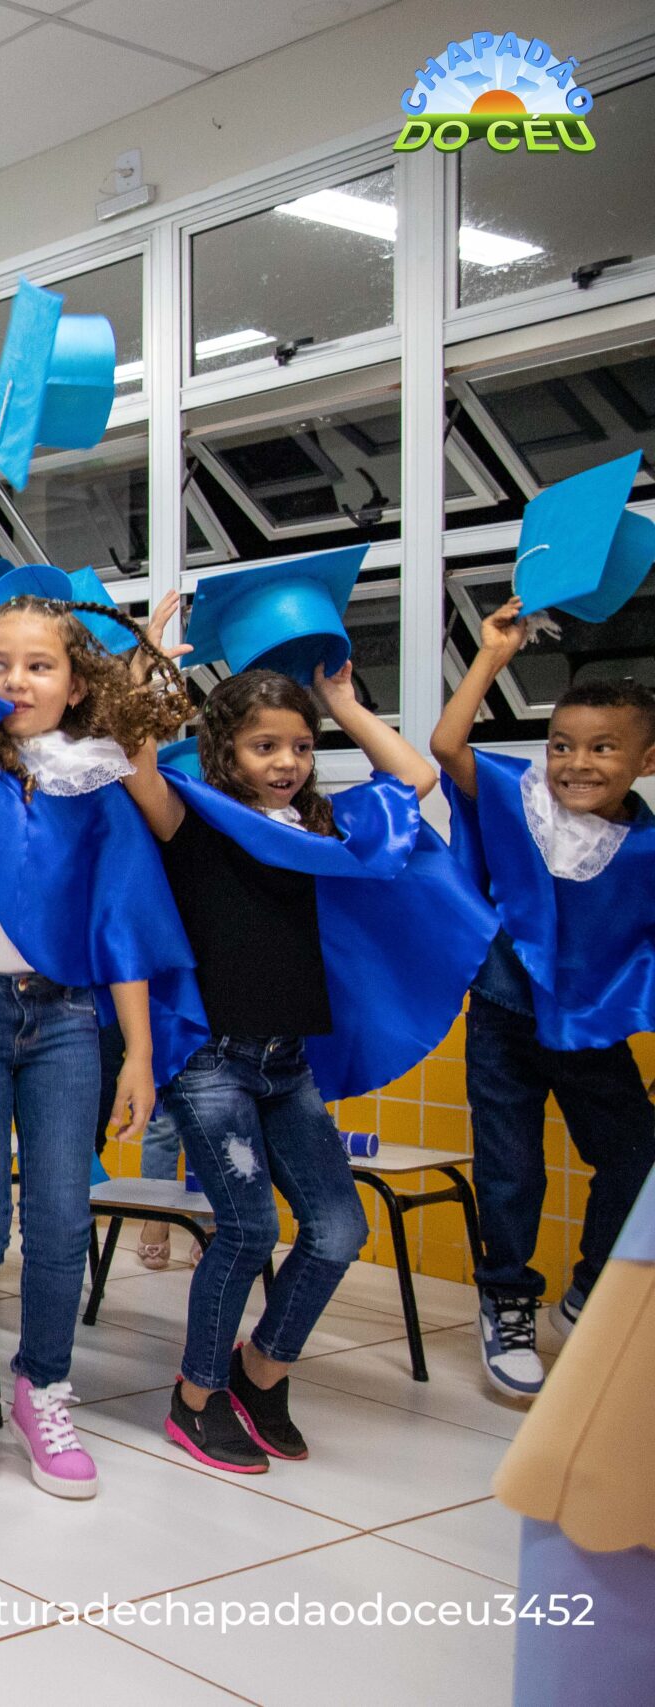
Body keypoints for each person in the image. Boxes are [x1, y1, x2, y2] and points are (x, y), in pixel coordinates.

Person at [0, 425, 200, 1501]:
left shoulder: (98, 782)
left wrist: (139, 1058)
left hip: (68, 1021)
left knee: (63, 1217)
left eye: (39, 665)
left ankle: (42, 1387)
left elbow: (122, 927)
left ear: (73, 684)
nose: (15, 678)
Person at [119, 652, 472, 1472]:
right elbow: (135, 759)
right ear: (223, 753)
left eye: (300, 747)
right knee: (247, 1229)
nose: (285, 763)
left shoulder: (313, 828)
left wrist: (343, 702)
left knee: (340, 1226)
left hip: (286, 1062)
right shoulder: (191, 818)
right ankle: (196, 1395)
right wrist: (148, 682)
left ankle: (261, 1369)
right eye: (263, 747)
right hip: (211, 1061)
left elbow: (414, 776)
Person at [432, 596, 655, 1400]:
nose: (577, 763)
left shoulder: (649, 846)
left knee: (635, 1154)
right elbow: (446, 743)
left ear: (647, 761)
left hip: (591, 1027)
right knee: (511, 1168)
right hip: (504, 1014)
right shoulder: (517, 798)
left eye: (603, 748)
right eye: (562, 744)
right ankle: (507, 1301)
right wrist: (492, 657)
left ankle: (590, 1286)